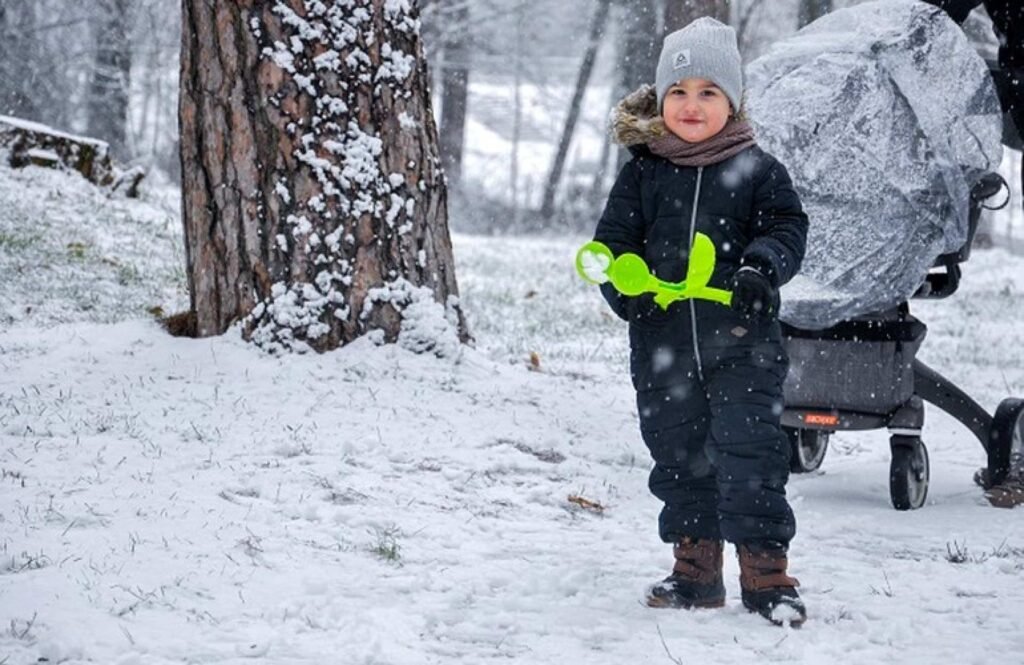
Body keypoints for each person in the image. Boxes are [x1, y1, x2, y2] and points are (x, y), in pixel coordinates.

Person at [592, 18, 810, 626]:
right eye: (679, 91)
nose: (692, 105)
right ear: (661, 99)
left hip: (743, 345)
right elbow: (612, 245)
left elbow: (787, 229)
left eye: (708, 92)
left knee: (751, 452)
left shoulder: (758, 170)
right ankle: (696, 570)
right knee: (678, 453)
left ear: (731, 101)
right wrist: (627, 289)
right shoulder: (644, 171)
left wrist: (761, 269)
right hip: (663, 348)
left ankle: (766, 573)